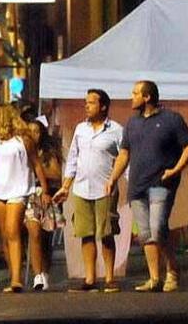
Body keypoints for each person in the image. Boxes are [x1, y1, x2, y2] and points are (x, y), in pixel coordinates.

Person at [106, 81, 188, 293]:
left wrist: (175, 170)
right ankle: (154, 277)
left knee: (158, 228)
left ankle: (172, 270)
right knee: (145, 233)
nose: (132, 96)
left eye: (136, 93)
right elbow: (124, 153)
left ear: (147, 97)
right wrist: (113, 178)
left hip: (161, 183)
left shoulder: (171, 119)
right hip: (137, 185)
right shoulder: (132, 123)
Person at [54, 89, 123, 292]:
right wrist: (66, 186)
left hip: (105, 188)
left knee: (107, 233)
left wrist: (118, 179)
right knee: (86, 233)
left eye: (91, 102)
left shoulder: (116, 130)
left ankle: (110, 277)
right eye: (86, 102)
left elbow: (124, 158)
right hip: (82, 187)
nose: (87, 106)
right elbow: (73, 158)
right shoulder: (80, 129)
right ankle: (90, 278)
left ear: (103, 106)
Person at [0, 104, 50, 293]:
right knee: (4, 234)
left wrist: (44, 189)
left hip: (18, 190)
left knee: (13, 231)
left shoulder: (23, 140)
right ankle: (13, 273)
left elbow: (36, 164)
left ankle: (17, 279)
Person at [25, 118, 63, 291]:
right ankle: (37, 274)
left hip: (47, 195)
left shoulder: (48, 152)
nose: (33, 135)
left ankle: (45, 271)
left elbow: (56, 174)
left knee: (46, 237)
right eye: (30, 131)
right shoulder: (22, 151)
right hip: (29, 196)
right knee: (34, 234)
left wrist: (38, 167)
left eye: (36, 131)